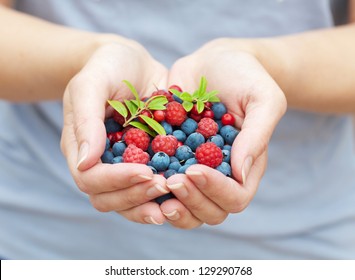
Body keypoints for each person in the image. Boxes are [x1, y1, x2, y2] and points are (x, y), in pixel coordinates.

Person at [0, 0, 354, 259]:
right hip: (41, 239)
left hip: (298, 247)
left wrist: (269, 64)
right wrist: (88, 59)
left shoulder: (200, 136)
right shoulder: (175, 136)